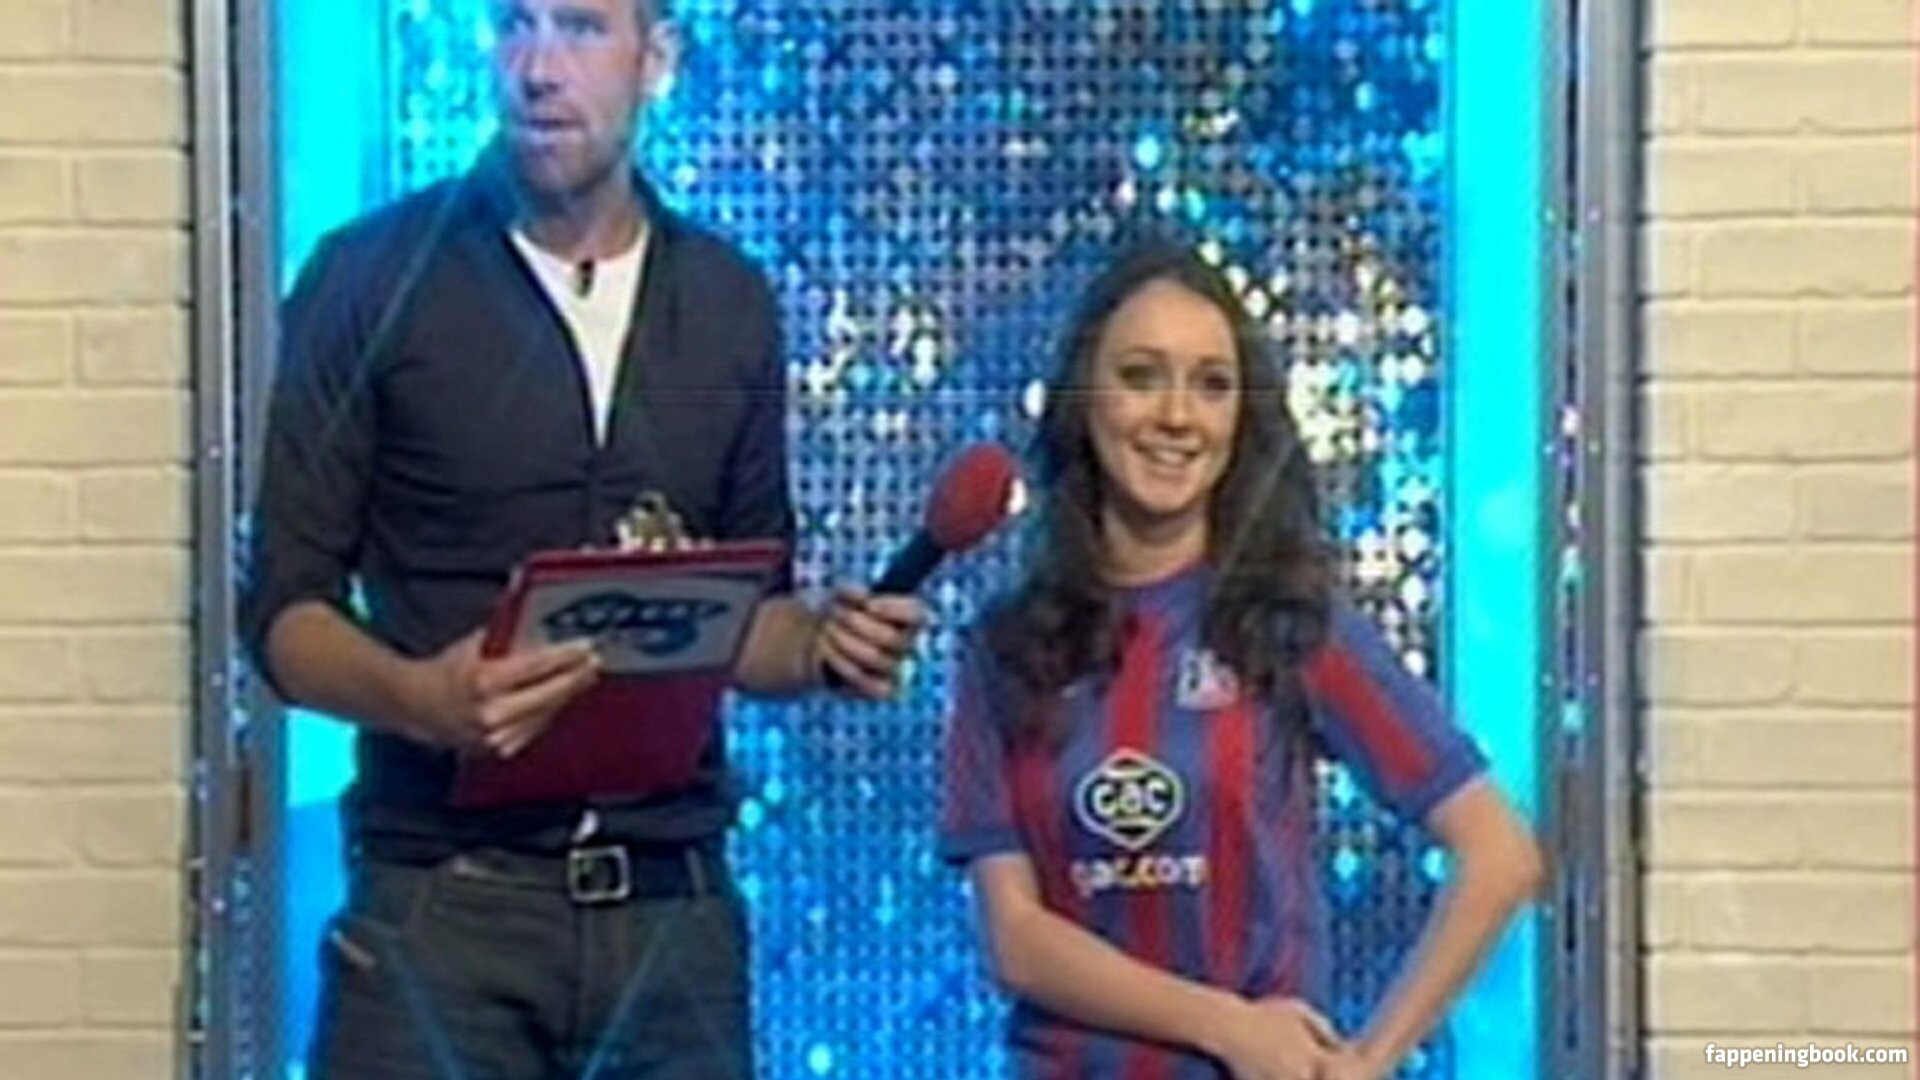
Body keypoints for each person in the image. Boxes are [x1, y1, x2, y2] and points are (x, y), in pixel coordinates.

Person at [241, 1, 925, 1076]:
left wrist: (821, 645)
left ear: (658, 60)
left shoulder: (728, 301)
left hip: (673, 919)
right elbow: (283, 615)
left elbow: (749, 622)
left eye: (580, 27)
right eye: (515, 25)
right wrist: (422, 699)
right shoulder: (368, 277)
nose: (539, 66)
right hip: (440, 909)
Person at [938, 243, 1542, 1080]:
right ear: (1083, 401)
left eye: (1212, 385)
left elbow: (1500, 854)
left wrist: (1369, 1060)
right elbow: (1017, 941)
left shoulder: (1292, 623)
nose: (1177, 416)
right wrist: (1226, 1026)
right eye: (1141, 376)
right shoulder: (1005, 651)